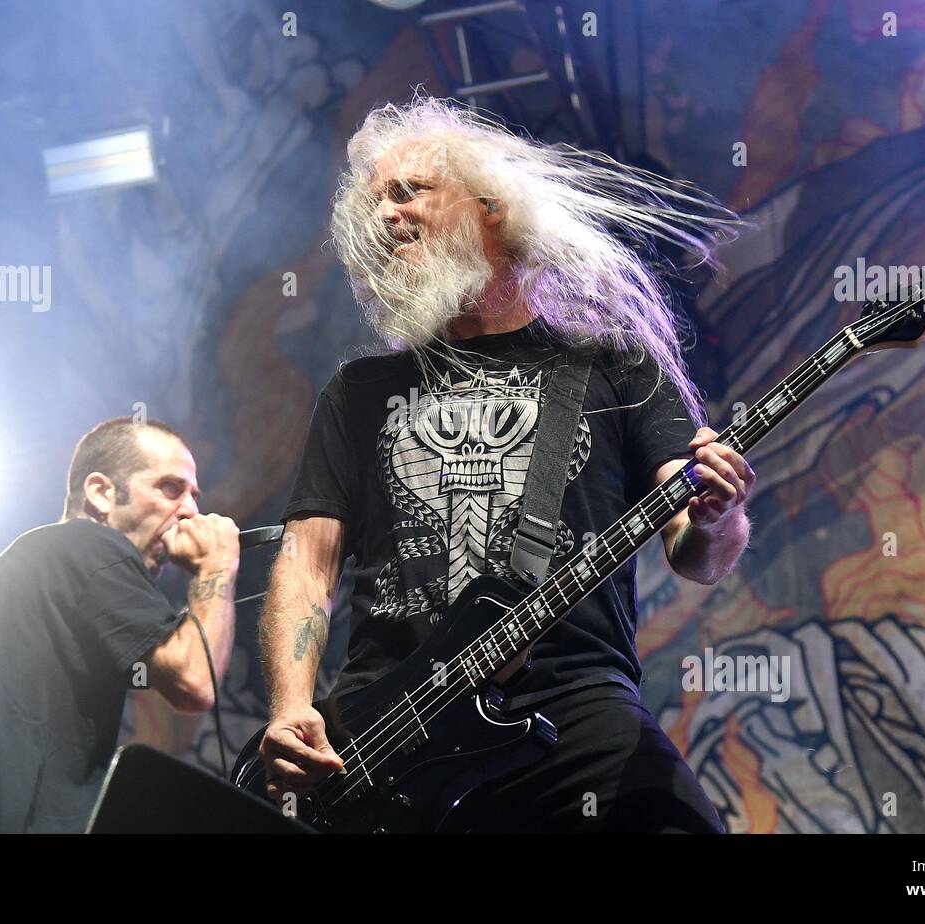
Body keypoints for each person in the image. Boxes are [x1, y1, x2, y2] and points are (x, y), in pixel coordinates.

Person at [256, 96, 756, 833]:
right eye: (374, 206)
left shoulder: (614, 366)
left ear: (492, 205)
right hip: (386, 732)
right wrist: (293, 705)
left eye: (408, 191)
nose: (385, 217)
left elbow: (698, 555)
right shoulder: (359, 392)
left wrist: (719, 515)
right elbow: (306, 563)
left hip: (573, 702)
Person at [0, 417, 239, 833]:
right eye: (170, 488)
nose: (190, 511)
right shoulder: (89, 546)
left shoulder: (51, 560)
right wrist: (216, 567)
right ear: (101, 493)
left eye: (194, 495)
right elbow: (195, 680)